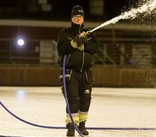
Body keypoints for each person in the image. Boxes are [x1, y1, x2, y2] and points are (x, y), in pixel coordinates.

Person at [57, 5, 99, 136]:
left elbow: (95, 48)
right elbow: (61, 48)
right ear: (71, 18)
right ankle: (71, 126)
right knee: (72, 98)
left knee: (86, 99)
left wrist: (84, 43)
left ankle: (82, 125)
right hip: (71, 72)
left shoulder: (89, 34)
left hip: (86, 73)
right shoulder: (64, 33)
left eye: (80, 16)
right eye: (75, 16)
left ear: (83, 18)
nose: (78, 18)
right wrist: (73, 43)